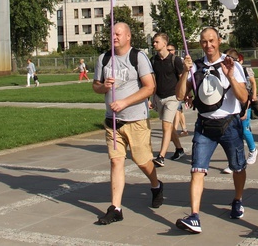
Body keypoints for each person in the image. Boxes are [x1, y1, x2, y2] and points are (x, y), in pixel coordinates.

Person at [175, 27, 248, 234]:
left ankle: (237, 199)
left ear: (219, 40)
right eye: (204, 41)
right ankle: (194, 215)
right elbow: (180, 95)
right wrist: (184, 72)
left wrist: (231, 76)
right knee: (197, 170)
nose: (208, 45)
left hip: (229, 124)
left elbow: (243, 98)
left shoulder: (230, 63)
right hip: (205, 126)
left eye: (212, 40)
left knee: (238, 167)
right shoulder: (195, 66)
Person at [92, 22, 163, 224]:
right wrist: (103, 86)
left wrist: (124, 102)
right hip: (113, 121)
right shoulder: (103, 59)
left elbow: (150, 87)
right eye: (111, 34)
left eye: (118, 33)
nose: (113, 37)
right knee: (116, 161)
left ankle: (156, 185)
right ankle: (116, 208)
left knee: (142, 161)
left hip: (136, 119)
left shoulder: (137, 57)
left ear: (128, 36)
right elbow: (95, 86)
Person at [150, 33, 186, 166]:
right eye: (153, 42)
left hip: (172, 97)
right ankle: (179, 149)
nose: (154, 44)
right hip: (159, 97)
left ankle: (161, 156)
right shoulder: (153, 60)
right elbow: (151, 81)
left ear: (164, 44)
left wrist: (186, 94)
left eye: (156, 42)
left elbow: (183, 78)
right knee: (169, 126)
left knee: (165, 125)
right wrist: (151, 98)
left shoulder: (175, 60)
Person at [222, 49, 258, 173]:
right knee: (234, 134)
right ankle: (234, 162)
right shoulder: (225, 70)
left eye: (234, 60)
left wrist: (249, 104)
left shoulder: (244, 70)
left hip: (244, 105)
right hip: (232, 107)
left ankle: (253, 150)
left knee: (244, 129)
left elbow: (250, 86)